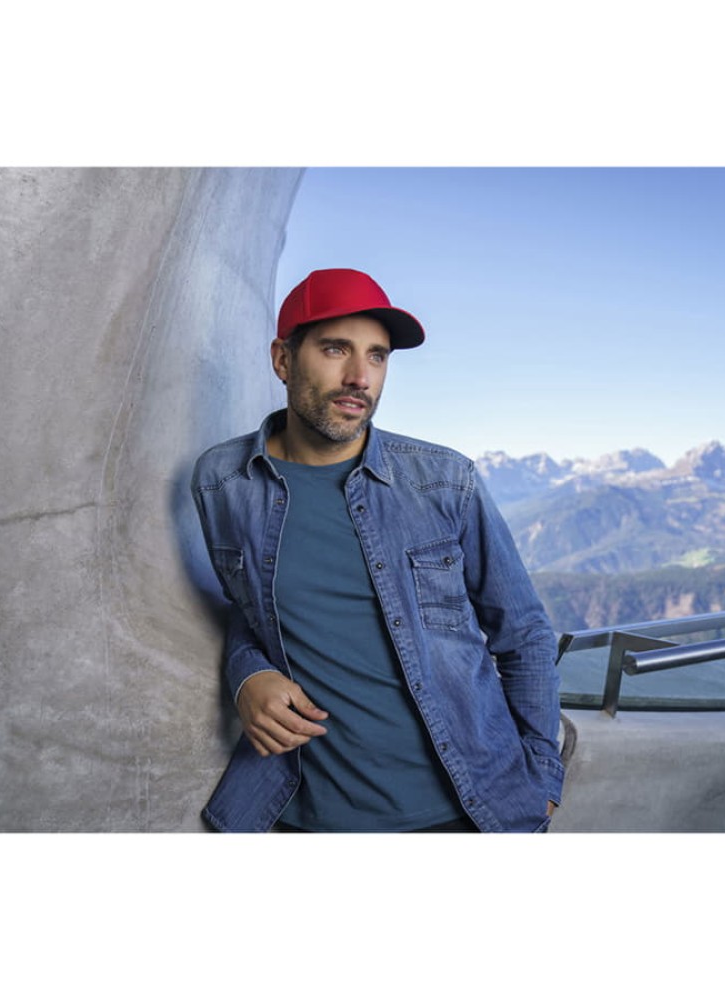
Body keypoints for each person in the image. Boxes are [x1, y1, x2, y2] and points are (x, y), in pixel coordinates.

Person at [191, 268, 564, 832]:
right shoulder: (224, 482)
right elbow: (247, 607)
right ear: (283, 360)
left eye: (377, 356)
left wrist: (541, 778)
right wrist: (249, 675)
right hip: (299, 817)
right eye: (335, 349)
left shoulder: (445, 481)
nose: (359, 378)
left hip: (468, 810)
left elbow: (524, 633)